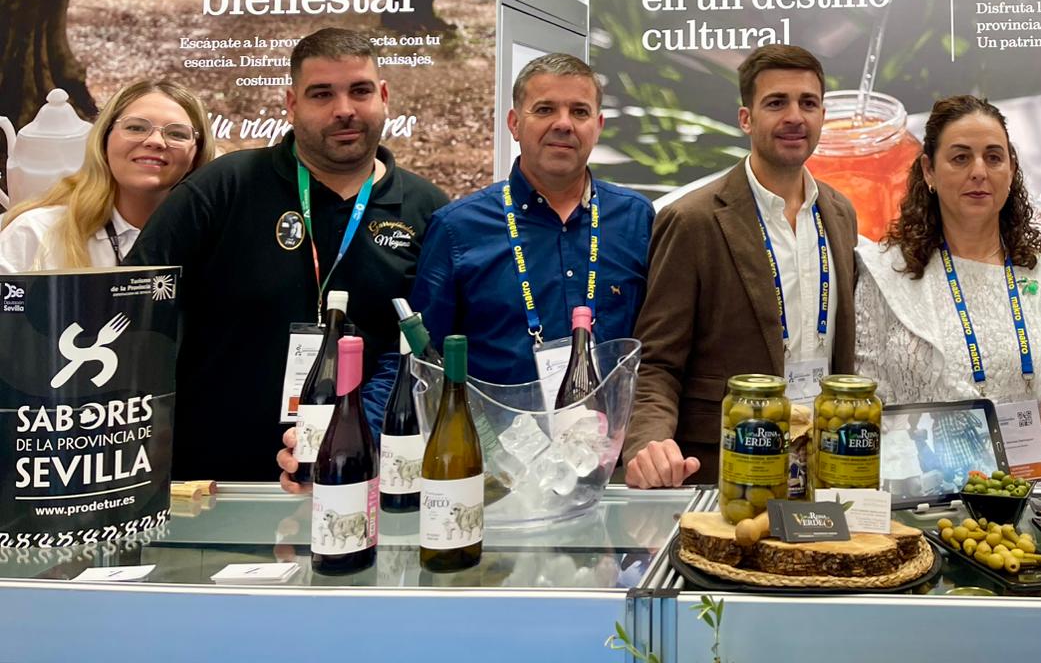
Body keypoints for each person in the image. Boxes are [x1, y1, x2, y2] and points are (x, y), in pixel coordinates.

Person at [128, 27, 448, 482]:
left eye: (359, 91)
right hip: (213, 483)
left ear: (384, 96)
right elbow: (133, 304)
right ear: (291, 104)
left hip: (362, 476)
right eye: (321, 94)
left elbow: (427, 353)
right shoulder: (224, 188)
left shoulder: (428, 210)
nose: (344, 110)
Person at [624, 44, 858, 488]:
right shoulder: (692, 220)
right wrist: (648, 445)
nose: (795, 117)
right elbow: (657, 362)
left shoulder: (841, 213)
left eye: (808, 103)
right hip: (731, 469)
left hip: (826, 465)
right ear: (746, 119)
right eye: (776, 103)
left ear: (823, 115)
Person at [857, 95, 1041, 485]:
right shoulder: (886, 275)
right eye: (960, 158)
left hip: (1031, 507)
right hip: (917, 506)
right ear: (929, 171)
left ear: (1011, 170)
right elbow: (864, 407)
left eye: (993, 157)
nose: (979, 171)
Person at [407, 53, 653, 386]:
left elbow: (658, 348)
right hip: (497, 435)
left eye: (579, 112)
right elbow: (424, 361)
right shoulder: (457, 228)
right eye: (545, 109)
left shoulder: (636, 218)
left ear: (598, 127)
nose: (563, 124)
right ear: (514, 123)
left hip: (614, 433)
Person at [0, 80, 213, 272]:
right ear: (103, 142)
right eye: (136, 127)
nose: (155, 141)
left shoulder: (217, 243)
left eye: (177, 133)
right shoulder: (36, 233)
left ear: (195, 155)